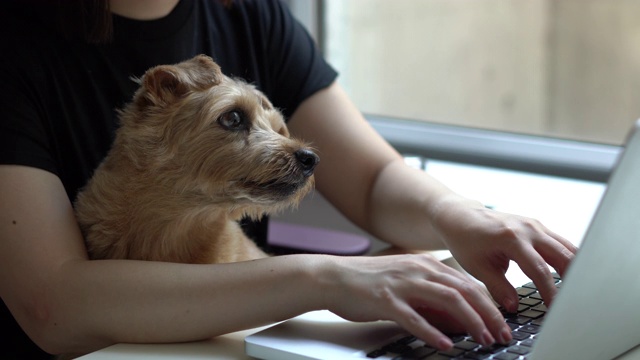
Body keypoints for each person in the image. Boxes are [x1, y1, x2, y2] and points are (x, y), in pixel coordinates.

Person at [0, 0, 577, 358]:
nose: (294, 150)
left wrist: (459, 216)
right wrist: (327, 278)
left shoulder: (250, 14)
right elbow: (53, 306)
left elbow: (372, 179)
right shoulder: (17, 46)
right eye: (235, 122)